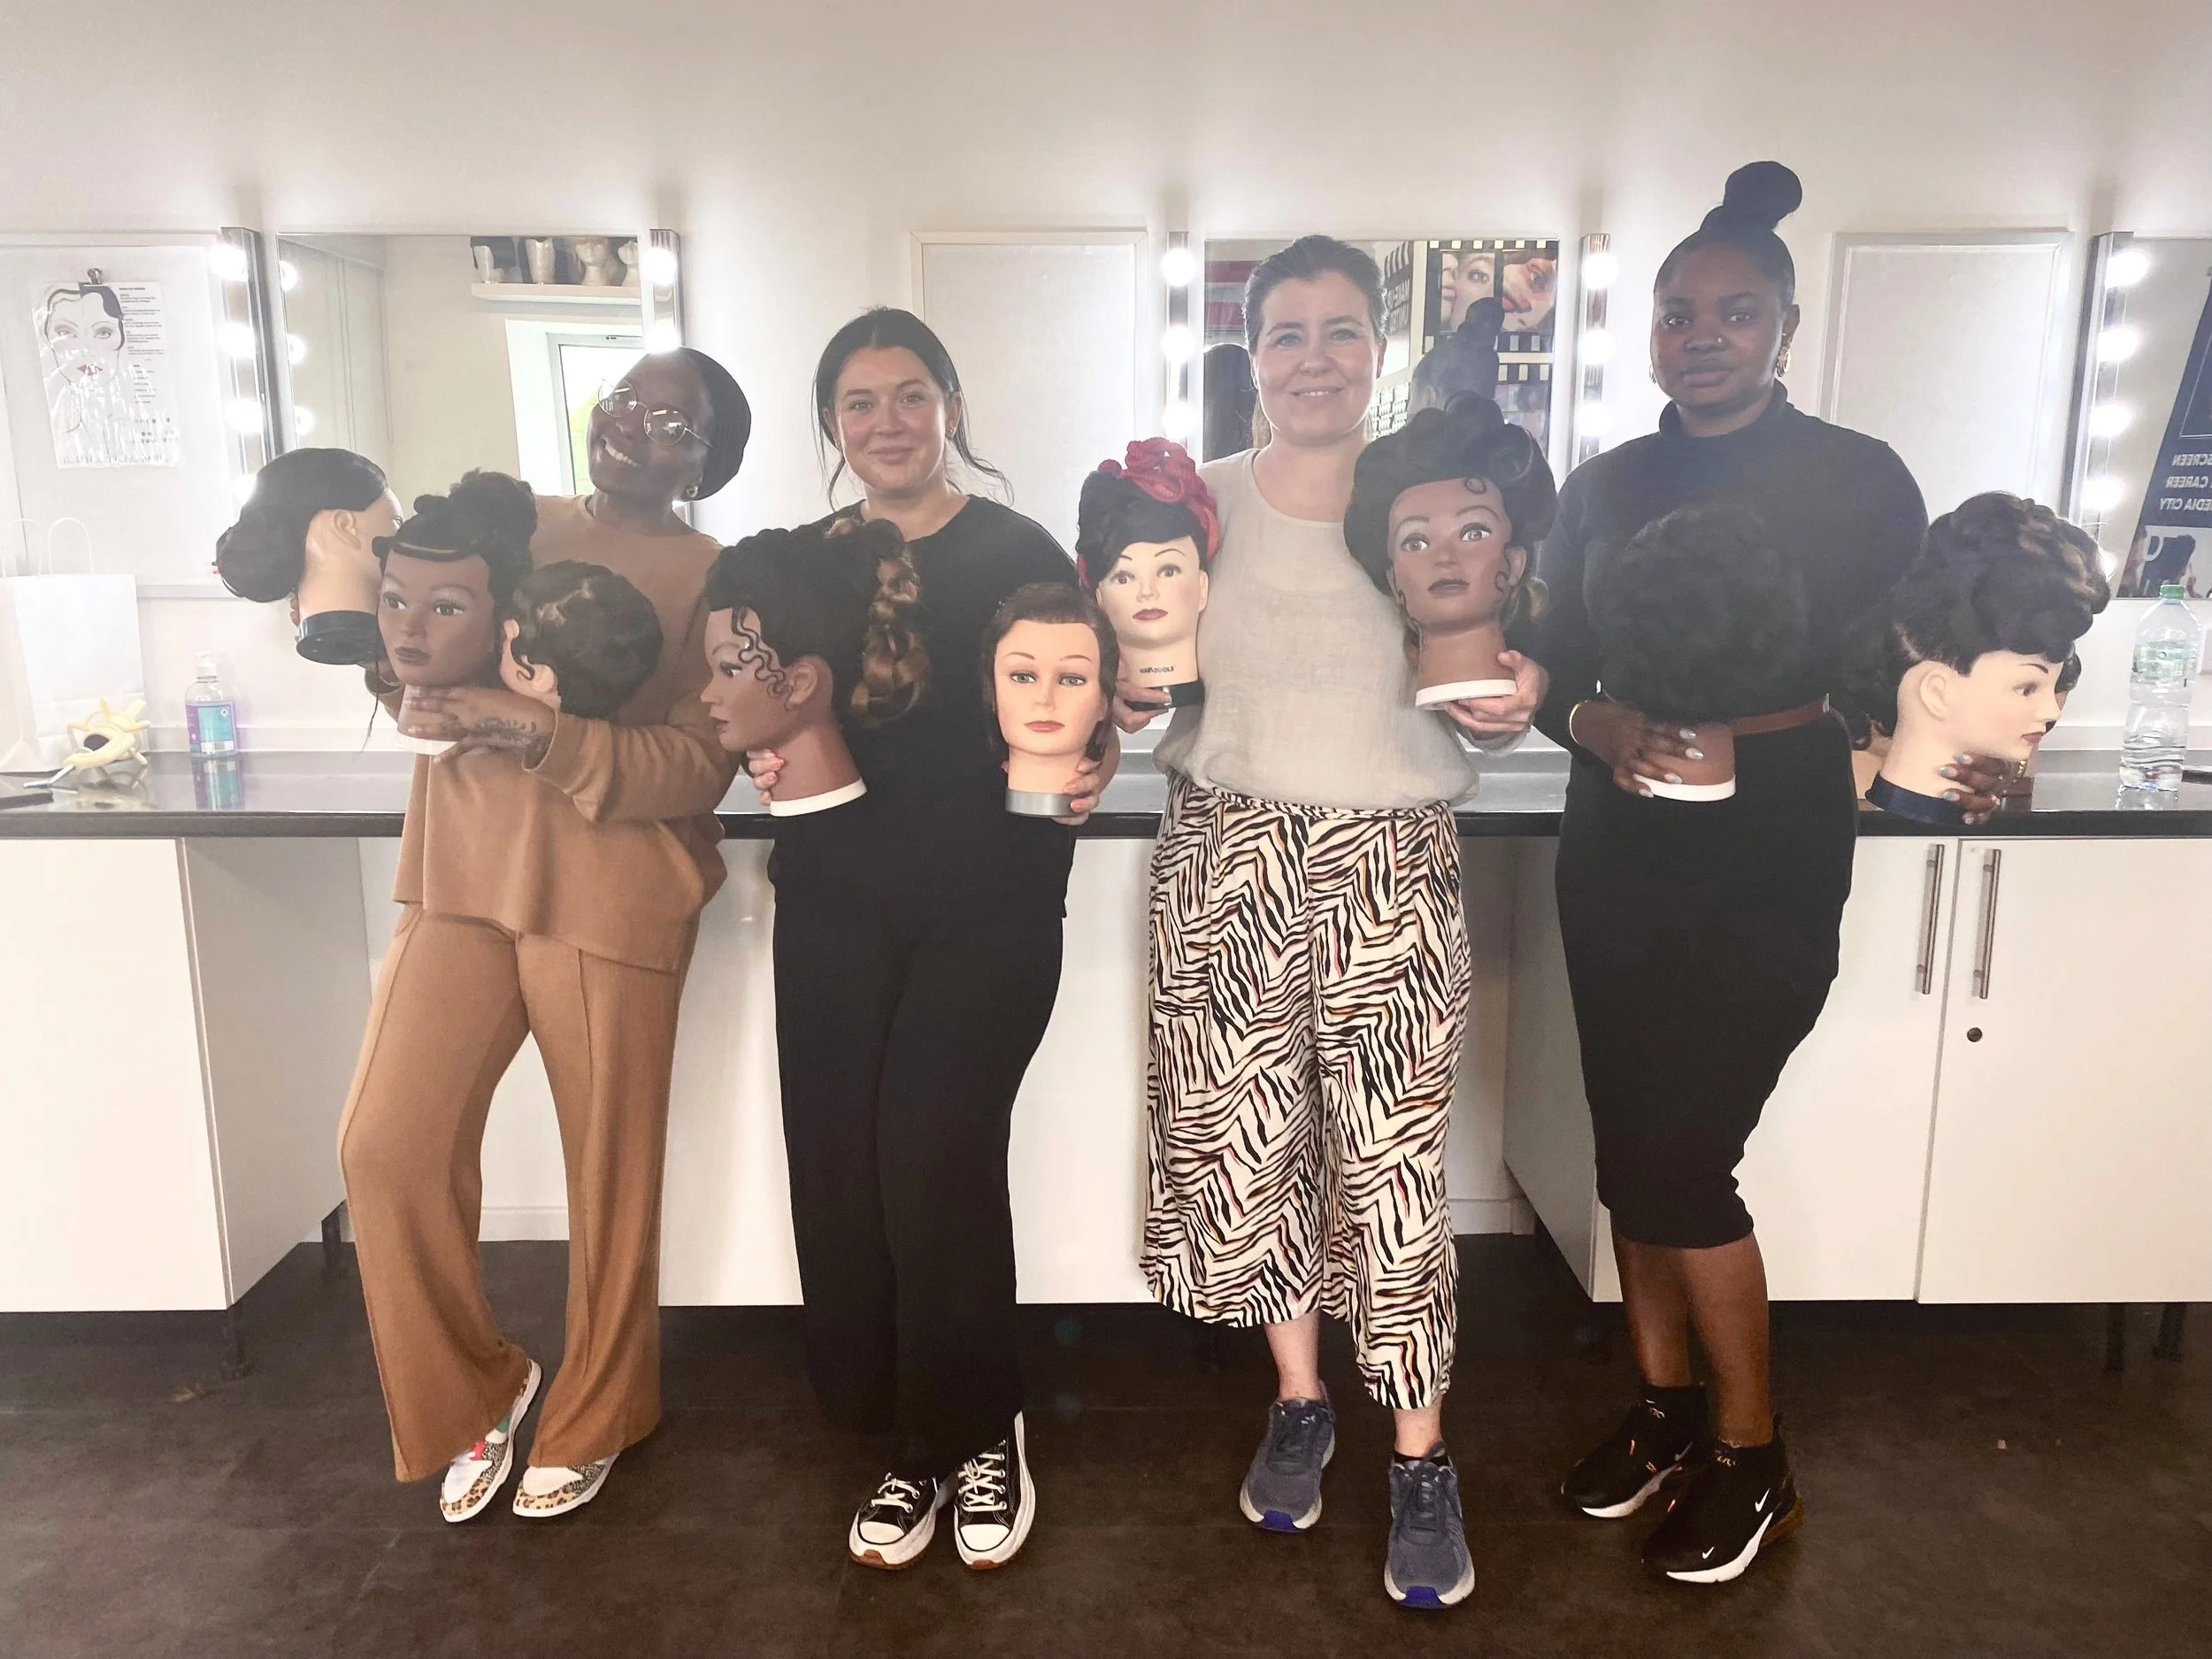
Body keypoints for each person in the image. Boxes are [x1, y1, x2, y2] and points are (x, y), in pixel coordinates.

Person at [1531, 163, 2005, 1583]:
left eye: (1734, 312)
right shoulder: (1607, 484)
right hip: (1618, 838)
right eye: (1678, 313)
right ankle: (1665, 1412)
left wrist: (1971, 744)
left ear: (1786, 327)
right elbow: (1551, 659)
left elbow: (1921, 660)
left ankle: (1754, 1453)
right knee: (1627, 1149)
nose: (1702, 336)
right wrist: (1592, 721)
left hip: (1772, 841)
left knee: (1687, 1155)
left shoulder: (1860, 480)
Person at [1130, 236, 1545, 1611]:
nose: (1315, 357)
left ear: (1379, 348)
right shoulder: (1197, 507)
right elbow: (1148, 665)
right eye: (1288, 333)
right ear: (1253, 355)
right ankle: (1301, 1397)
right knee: (1253, 1156)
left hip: (1390, 857)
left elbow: (1501, 661)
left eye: (1342, 331)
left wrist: (1521, 695)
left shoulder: (1425, 498)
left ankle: (1421, 1454)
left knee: (1391, 1165)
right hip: (1226, 853)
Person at [336, 347, 751, 1523]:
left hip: (614, 888)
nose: (633, 425)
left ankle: (601, 1410)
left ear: (707, 460)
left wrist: (535, 730)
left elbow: (699, 763)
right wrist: (402, 677)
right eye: (624, 400)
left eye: (672, 421)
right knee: (385, 1145)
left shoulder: (716, 576)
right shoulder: (509, 518)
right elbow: (417, 630)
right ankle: (474, 1388)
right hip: (464, 872)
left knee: (607, 1176)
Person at [743, 308, 1109, 1571]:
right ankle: (908, 1436)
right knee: (844, 1169)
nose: (887, 422)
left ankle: (980, 1427)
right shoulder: (802, 565)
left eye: (910, 394)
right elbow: (752, 699)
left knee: (932, 1155)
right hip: (836, 900)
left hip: (991, 900)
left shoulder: (1018, 548)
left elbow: (1087, 695)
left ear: (950, 404)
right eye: (859, 402)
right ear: (830, 425)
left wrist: (1094, 762)